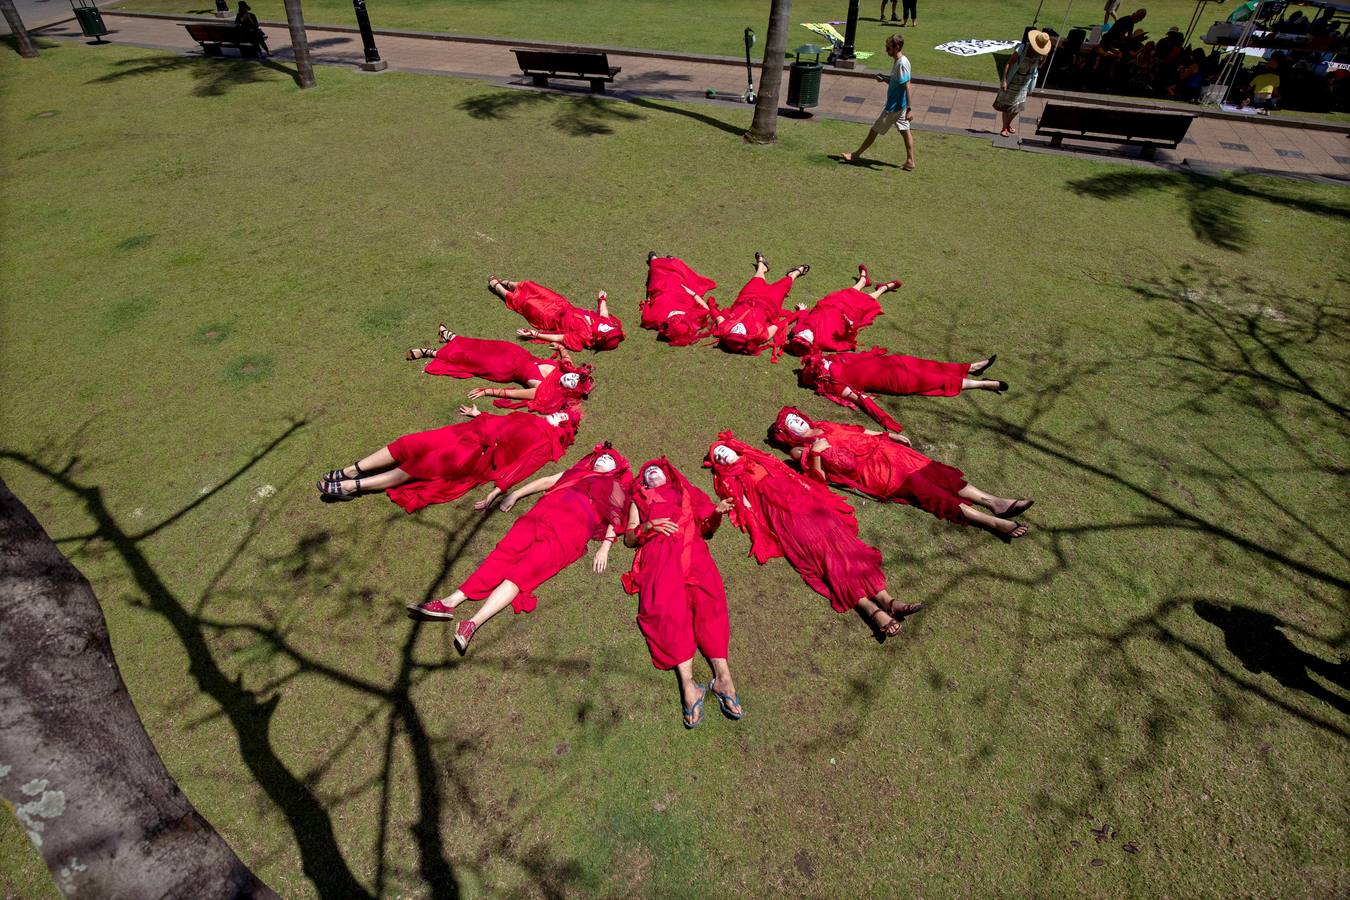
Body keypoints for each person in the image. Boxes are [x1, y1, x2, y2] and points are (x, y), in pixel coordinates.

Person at [409, 443, 633, 653]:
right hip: (540, 515)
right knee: (502, 555)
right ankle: (449, 602)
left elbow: (614, 520)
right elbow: (546, 481)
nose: (604, 458)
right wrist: (515, 494)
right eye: (602, 455)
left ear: (616, 470)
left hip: (569, 533)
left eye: (610, 459)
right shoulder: (575, 472)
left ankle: (472, 624)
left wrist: (605, 547)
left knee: (522, 575)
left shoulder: (614, 487)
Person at [706, 433, 921, 637]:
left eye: (722, 449)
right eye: (718, 457)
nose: (722, 454)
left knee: (846, 545)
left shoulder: (760, 458)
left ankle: (888, 600)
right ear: (719, 466)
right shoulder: (730, 481)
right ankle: (871, 610)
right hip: (786, 517)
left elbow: (793, 475)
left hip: (807, 502)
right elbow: (748, 510)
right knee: (825, 557)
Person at [768, 407, 1033, 543]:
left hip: (889, 451)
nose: (799, 422)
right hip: (878, 472)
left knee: (939, 474)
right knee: (929, 492)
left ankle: (994, 501)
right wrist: (816, 454)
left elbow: (858, 432)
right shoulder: (798, 451)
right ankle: (989, 521)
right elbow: (819, 481)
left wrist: (887, 435)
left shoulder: (824, 424)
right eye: (791, 424)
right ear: (787, 434)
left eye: (796, 417)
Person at [622, 458, 742, 728]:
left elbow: (707, 527)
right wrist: (648, 527)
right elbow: (629, 538)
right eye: (647, 471)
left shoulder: (685, 493)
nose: (652, 470)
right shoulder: (639, 499)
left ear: (668, 476)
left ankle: (723, 678)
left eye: (657, 469)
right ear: (643, 481)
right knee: (667, 611)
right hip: (659, 554)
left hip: (693, 551)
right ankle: (688, 685)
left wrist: (719, 513)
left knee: (710, 604)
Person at [317, 403, 580, 513]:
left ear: (562, 431)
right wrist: (479, 414)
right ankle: (352, 470)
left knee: (419, 465)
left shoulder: (546, 444)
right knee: (409, 443)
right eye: (561, 413)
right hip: (467, 431)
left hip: (476, 454)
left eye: (563, 420)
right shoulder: (530, 417)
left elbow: (523, 467)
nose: (559, 416)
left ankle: (352, 487)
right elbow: (503, 422)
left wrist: (499, 491)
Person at [798, 347, 1005, 429]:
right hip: (893, 380)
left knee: (931, 366)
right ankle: (982, 384)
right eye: (817, 367)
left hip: (891, 362)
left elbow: (858, 356)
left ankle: (973, 367)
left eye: (816, 364)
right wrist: (886, 421)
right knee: (932, 379)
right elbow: (861, 399)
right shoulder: (833, 385)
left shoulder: (831, 360)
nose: (820, 364)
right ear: (818, 378)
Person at [407, 328, 593, 414]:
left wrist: (487, 391)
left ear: (567, 390)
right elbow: (566, 355)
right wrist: (560, 347)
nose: (571, 377)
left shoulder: (541, 389)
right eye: (575, 376)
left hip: (502, 369)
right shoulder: (564, 369)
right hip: (514, 352)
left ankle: (431, 353)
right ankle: (451, 337)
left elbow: (513, 393)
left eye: (572, 382)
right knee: (481, 346)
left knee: (470, 360)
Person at [783, 264, 902, 357]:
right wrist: (850, 325)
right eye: (805, 337)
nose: (804, 333)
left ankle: (863, 281)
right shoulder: (825, 343)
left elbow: (803, 318)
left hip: (829, 305)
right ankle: (882, 289)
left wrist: (803, 310)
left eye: (800, 335)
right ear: (811, 343)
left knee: (844, 295)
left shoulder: (796, 330)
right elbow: (846, 343)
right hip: (845, 315)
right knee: (863, 303)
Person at [711, 251, 810, 359]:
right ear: (745, 338)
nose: (737, 329)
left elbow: (717, 316)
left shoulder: (724, 329)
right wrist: (798, 314)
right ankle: (793, 274)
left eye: (734, 332)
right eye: (740, 334)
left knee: (756, 279)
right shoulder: (759, 336)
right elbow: (779, 325)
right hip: (769, 304)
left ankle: (762, 267)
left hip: (747, 298)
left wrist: (711, 304)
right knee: (782, 286)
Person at [488, 276, 624, 352]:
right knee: (532, 286)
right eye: (611, 329)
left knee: (523, 302)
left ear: (601, 338)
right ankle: (509, 283)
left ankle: (498, 288)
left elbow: (560, 337)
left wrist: (535, 334)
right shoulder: (604, 323)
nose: (608, 327)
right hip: (561, 304)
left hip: (548, 317)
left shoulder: (584, 337)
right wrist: (602, 299)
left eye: (608, 331)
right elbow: (604, 314)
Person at [842, 34, 915, 171]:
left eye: (888, 48)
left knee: (874, 131)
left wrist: (910, 108)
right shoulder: (900, 61)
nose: (886, 50)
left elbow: (907, 85)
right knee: (906, 132)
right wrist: (885, 79)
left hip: (893, 107)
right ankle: (910, 161)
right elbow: (897, 82)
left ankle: (854, 155)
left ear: (896, 47)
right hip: (900, 106)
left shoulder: (902, 63)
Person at [641, 253, 720, 347]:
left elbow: (649, 299)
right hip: (677, 284)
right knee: (677, 270)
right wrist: (690, 292)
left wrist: (651, 289)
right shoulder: (692, 314)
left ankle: (657, 259)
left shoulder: (654, 317)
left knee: (658, 272)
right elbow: (703, 306)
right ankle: (668, 260)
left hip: (661, 285)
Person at [994, 30, 1052, 137]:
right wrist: (1005, 80)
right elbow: (1009, 63)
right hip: (1013, 79)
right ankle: (1004, 127)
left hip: (1025, 82)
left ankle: (1007, 124)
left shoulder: (1039, 54)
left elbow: (1039, 66)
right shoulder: (1022, 48)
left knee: (1018, 107)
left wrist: (1045, 56)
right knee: (1008, 106)